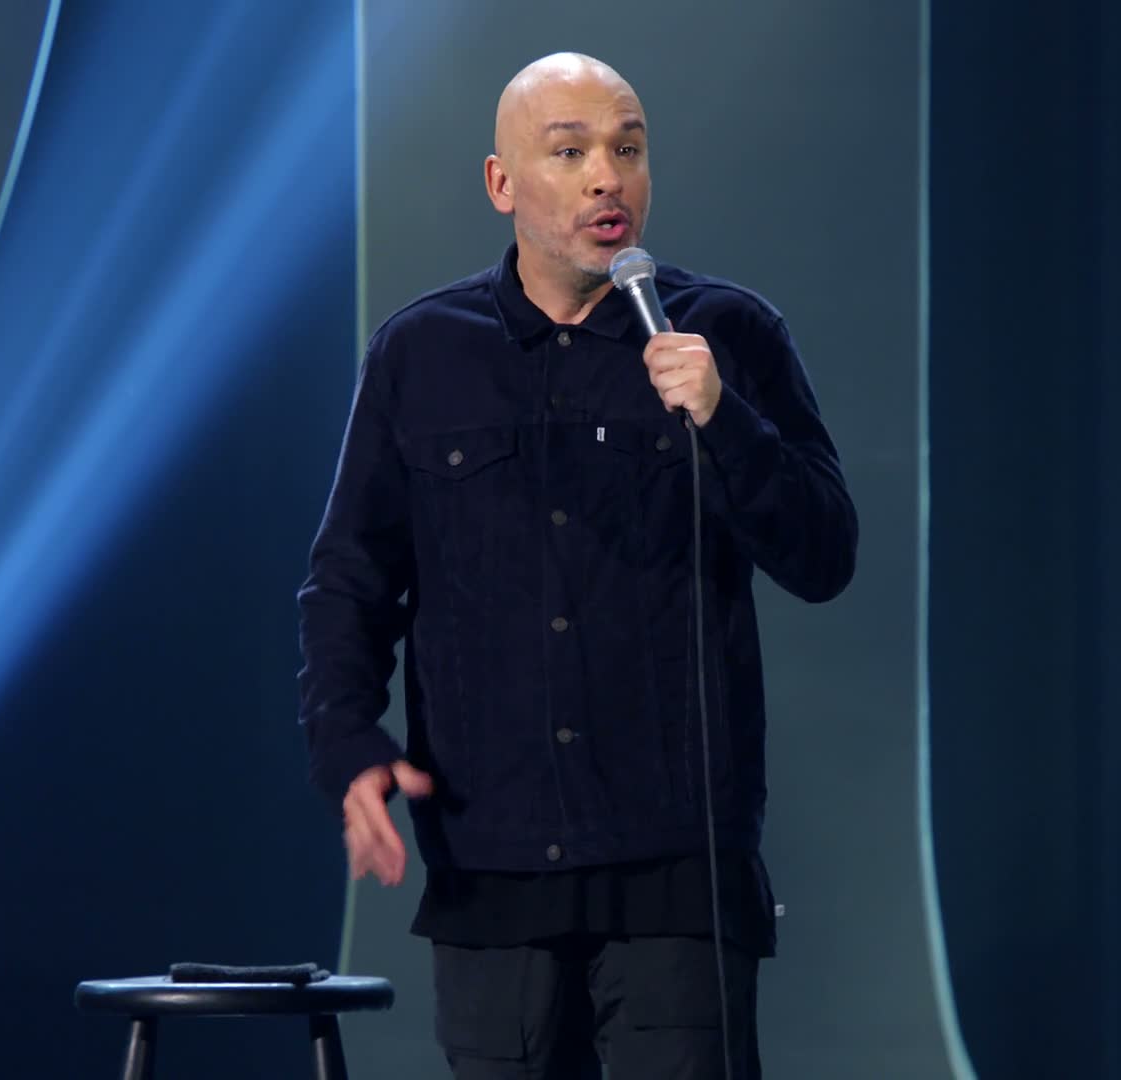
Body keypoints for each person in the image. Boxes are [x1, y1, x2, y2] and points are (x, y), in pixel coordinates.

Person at [296, 51, 857, 1079]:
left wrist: (725, 419)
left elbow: (825, 554)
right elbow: (349, 582)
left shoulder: (726, 333)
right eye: (571, 152)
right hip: (492, 865)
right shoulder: (422, 353)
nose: (609, 176)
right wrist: (348, 743)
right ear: (502, 183)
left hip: (676, 868)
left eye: (628, 149)